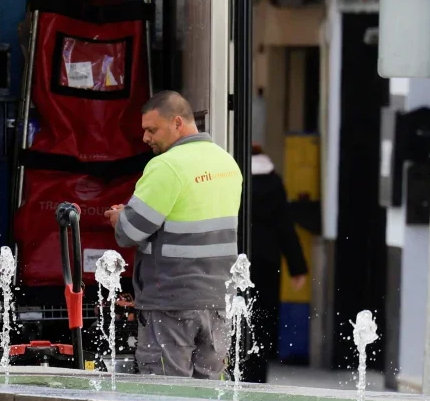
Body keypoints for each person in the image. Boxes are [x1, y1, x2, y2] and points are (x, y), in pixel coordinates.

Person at [104, 91, 243, 378]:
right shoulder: (227, 163)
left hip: (171, 301)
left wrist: (120, 217)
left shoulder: (166, 166)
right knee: (210, 395)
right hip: (217, 302)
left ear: (177, 123)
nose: (145, 138)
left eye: (151, 129)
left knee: (166, 394)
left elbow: (131, 231)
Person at [241, 144, 308, 384]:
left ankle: (235, 368)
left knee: (238, 314)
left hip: (238, 259)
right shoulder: (274, 182)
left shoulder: (235, 180)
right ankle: (258, 373)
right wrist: (297, 267)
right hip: (268, 261)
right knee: (264, 318)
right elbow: (285, 226)